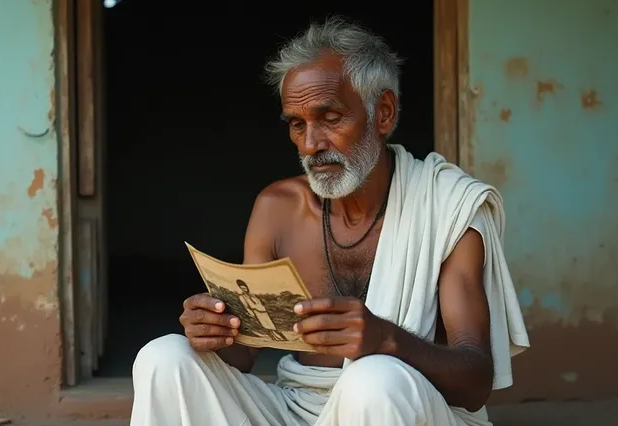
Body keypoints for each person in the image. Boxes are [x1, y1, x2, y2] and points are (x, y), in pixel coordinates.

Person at [130, 16, 530, 426]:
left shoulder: (449, 208)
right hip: (295, 408)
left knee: (372, 378)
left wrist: (385, 340)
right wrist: (215, 332)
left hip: (404, 409)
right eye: (297, 125)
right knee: (163, 357)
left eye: (331, 117)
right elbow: (244, 354)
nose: (311, 144)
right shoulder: (277, 208)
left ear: (384, 113)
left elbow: (475, 382)